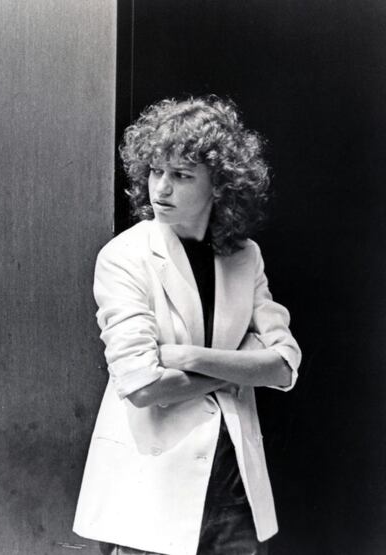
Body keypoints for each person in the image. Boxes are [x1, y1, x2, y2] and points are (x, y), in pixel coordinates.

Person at [73, 96, 301, 555]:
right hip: (150, 490)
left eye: (181, 175)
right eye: (156, 171)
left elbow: (284, 367)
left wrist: (192, 358)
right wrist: (240, 368)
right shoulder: (125, 257)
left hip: (232, 488)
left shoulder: (245, 256)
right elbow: (141, 386)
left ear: (220, 185)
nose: (162, 189)